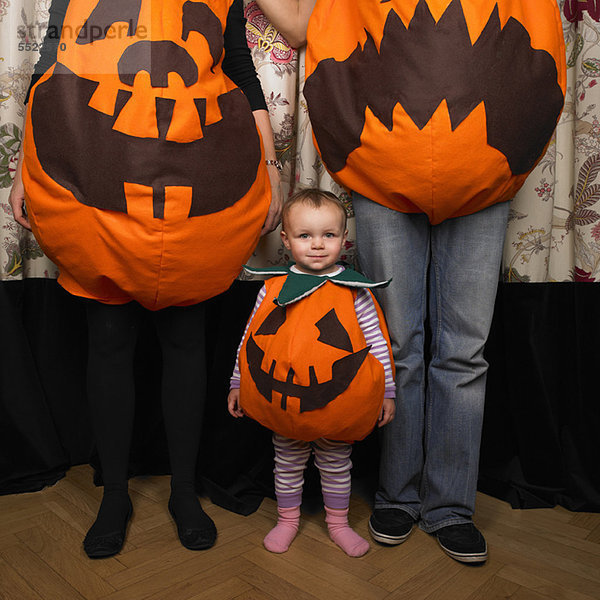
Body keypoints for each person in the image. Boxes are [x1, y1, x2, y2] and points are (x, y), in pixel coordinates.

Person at [251, 0, 565, 563]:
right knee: (397, 345)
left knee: (464, 350)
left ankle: (450, 508)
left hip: (485, 164)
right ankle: (397, 495)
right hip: (383, 165)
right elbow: (305, 26)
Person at [9, 0, 282, 558]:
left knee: (185, 341)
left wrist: (271, 167)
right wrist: (24, 170)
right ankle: (115, 496)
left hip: (193, 182)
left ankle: (185, 492)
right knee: (108, 341)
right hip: (99, 182)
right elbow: (49, 73)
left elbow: (241, 73)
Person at [228, 188, 396, 557]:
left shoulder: (355, 292)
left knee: (336, 465)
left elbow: (377, 345)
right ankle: (287, 520)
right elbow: (251, 337)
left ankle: (338, 524)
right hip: (284, 405)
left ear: (343, 239)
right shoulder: (272, 287)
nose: (317, 245)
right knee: (287, 462)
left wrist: (387, 392)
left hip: (337, 406)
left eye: (328, 235)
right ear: (286, 240)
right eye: (305, 236)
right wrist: (238, 381)